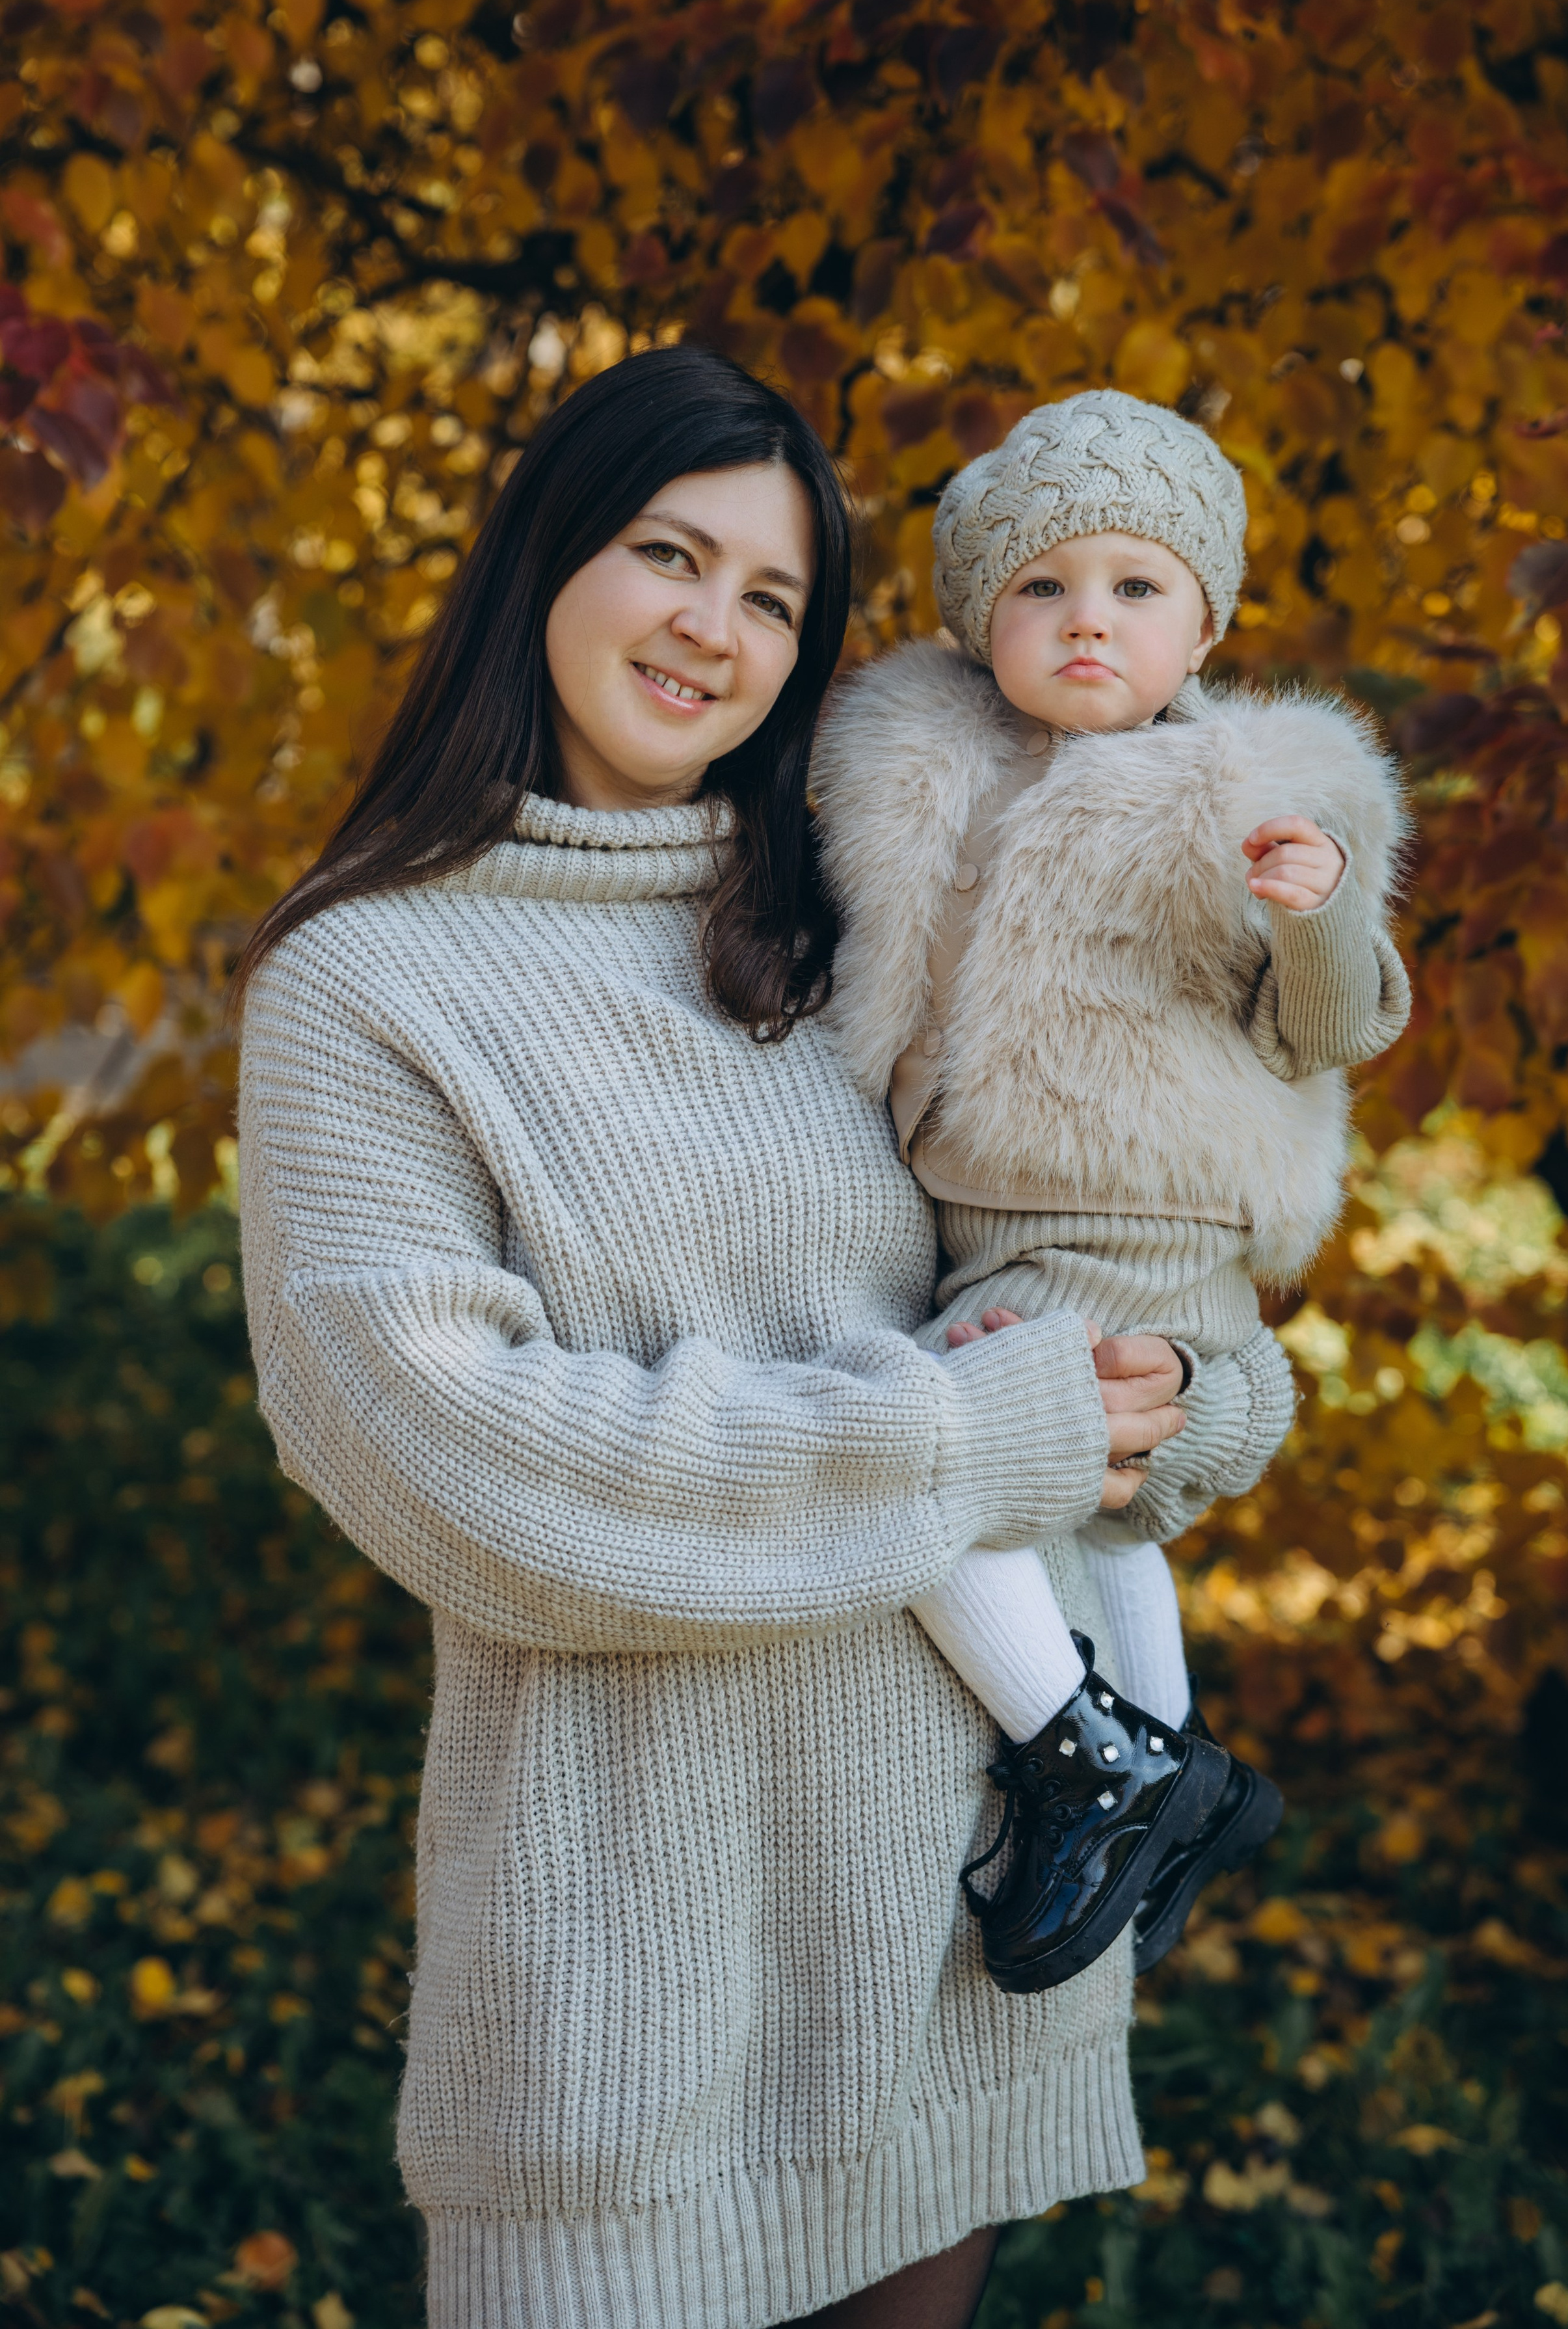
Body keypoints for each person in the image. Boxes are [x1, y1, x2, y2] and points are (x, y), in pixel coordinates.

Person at [233, 345, 1214, 2329]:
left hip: (945, 1919)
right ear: (544, 565)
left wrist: (1182, 1394)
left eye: (773, 599)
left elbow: (1095, 1236)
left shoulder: (848, 927)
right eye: (669, 555)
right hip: (632, 1971)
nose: (716, 628)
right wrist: (984, 1436)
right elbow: (464, 1463)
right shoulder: (368, 981)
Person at [813, 386, 1411, 1995]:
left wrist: (1315, 911)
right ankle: (1168, 1769)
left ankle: (1082, 1755)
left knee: (932, 1457)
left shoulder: (1247, 796)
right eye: (1041, 589)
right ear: (977, 619)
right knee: (1112, 1514)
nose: (1088, 622)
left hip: (1138, 1213)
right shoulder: (919, 765)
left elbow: (1332, 1024)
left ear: (1204, 620)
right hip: (995, 1210)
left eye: (1134, 588)